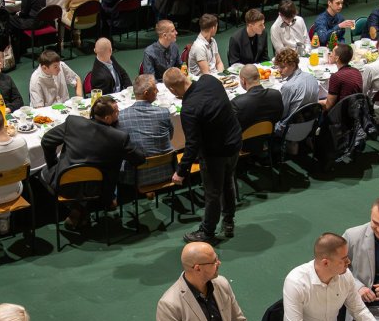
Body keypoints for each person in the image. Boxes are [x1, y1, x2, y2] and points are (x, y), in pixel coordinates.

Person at [164, 68, 242, 242]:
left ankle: (207, 232)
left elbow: (192, 145)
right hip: (234, 142)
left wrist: (181, 171)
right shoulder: (210, 80)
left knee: (213, 193)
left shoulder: (189, 109)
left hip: (215, 154)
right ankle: (228, 221)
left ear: (172, 90)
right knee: (228, 182)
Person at [41, 98, 145, 194]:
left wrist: (53, 163)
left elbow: (46, 140)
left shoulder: (73, 122)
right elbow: (139, 159)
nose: (119, 114)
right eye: (117, 112)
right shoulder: (119, 137)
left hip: (64, 184)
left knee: (45, 170)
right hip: (98, 191)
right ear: (107, 118)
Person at [117, 74, 174, 185]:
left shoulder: (121, 116)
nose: (158, 91)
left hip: (136, 177)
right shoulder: (163, 112)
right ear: (146, 93)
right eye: (155, 89)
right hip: (166, 172)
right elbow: (170, 137)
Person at [232, 65, 283, 131]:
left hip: (246, 136)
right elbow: (278, 117)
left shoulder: (237, 102)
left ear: (243, 80)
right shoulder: (276, 94)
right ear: (259, 77)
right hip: (269, 134)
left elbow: (233, 127)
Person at [274, 47, 320, 119]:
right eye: (278, 67)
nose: (279, 70)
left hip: (291, 124)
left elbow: (282, 114)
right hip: (312, 121)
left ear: (293, 65)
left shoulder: (288, 87)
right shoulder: (312, 77)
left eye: (282, 67)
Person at [188, 14, 224, 78]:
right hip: (202, 80)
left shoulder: (213, 41)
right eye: (216, 26)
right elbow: (206, 73)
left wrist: (221, 76)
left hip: (214, 76)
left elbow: (219, 63)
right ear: (213, 28)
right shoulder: (199, 47)